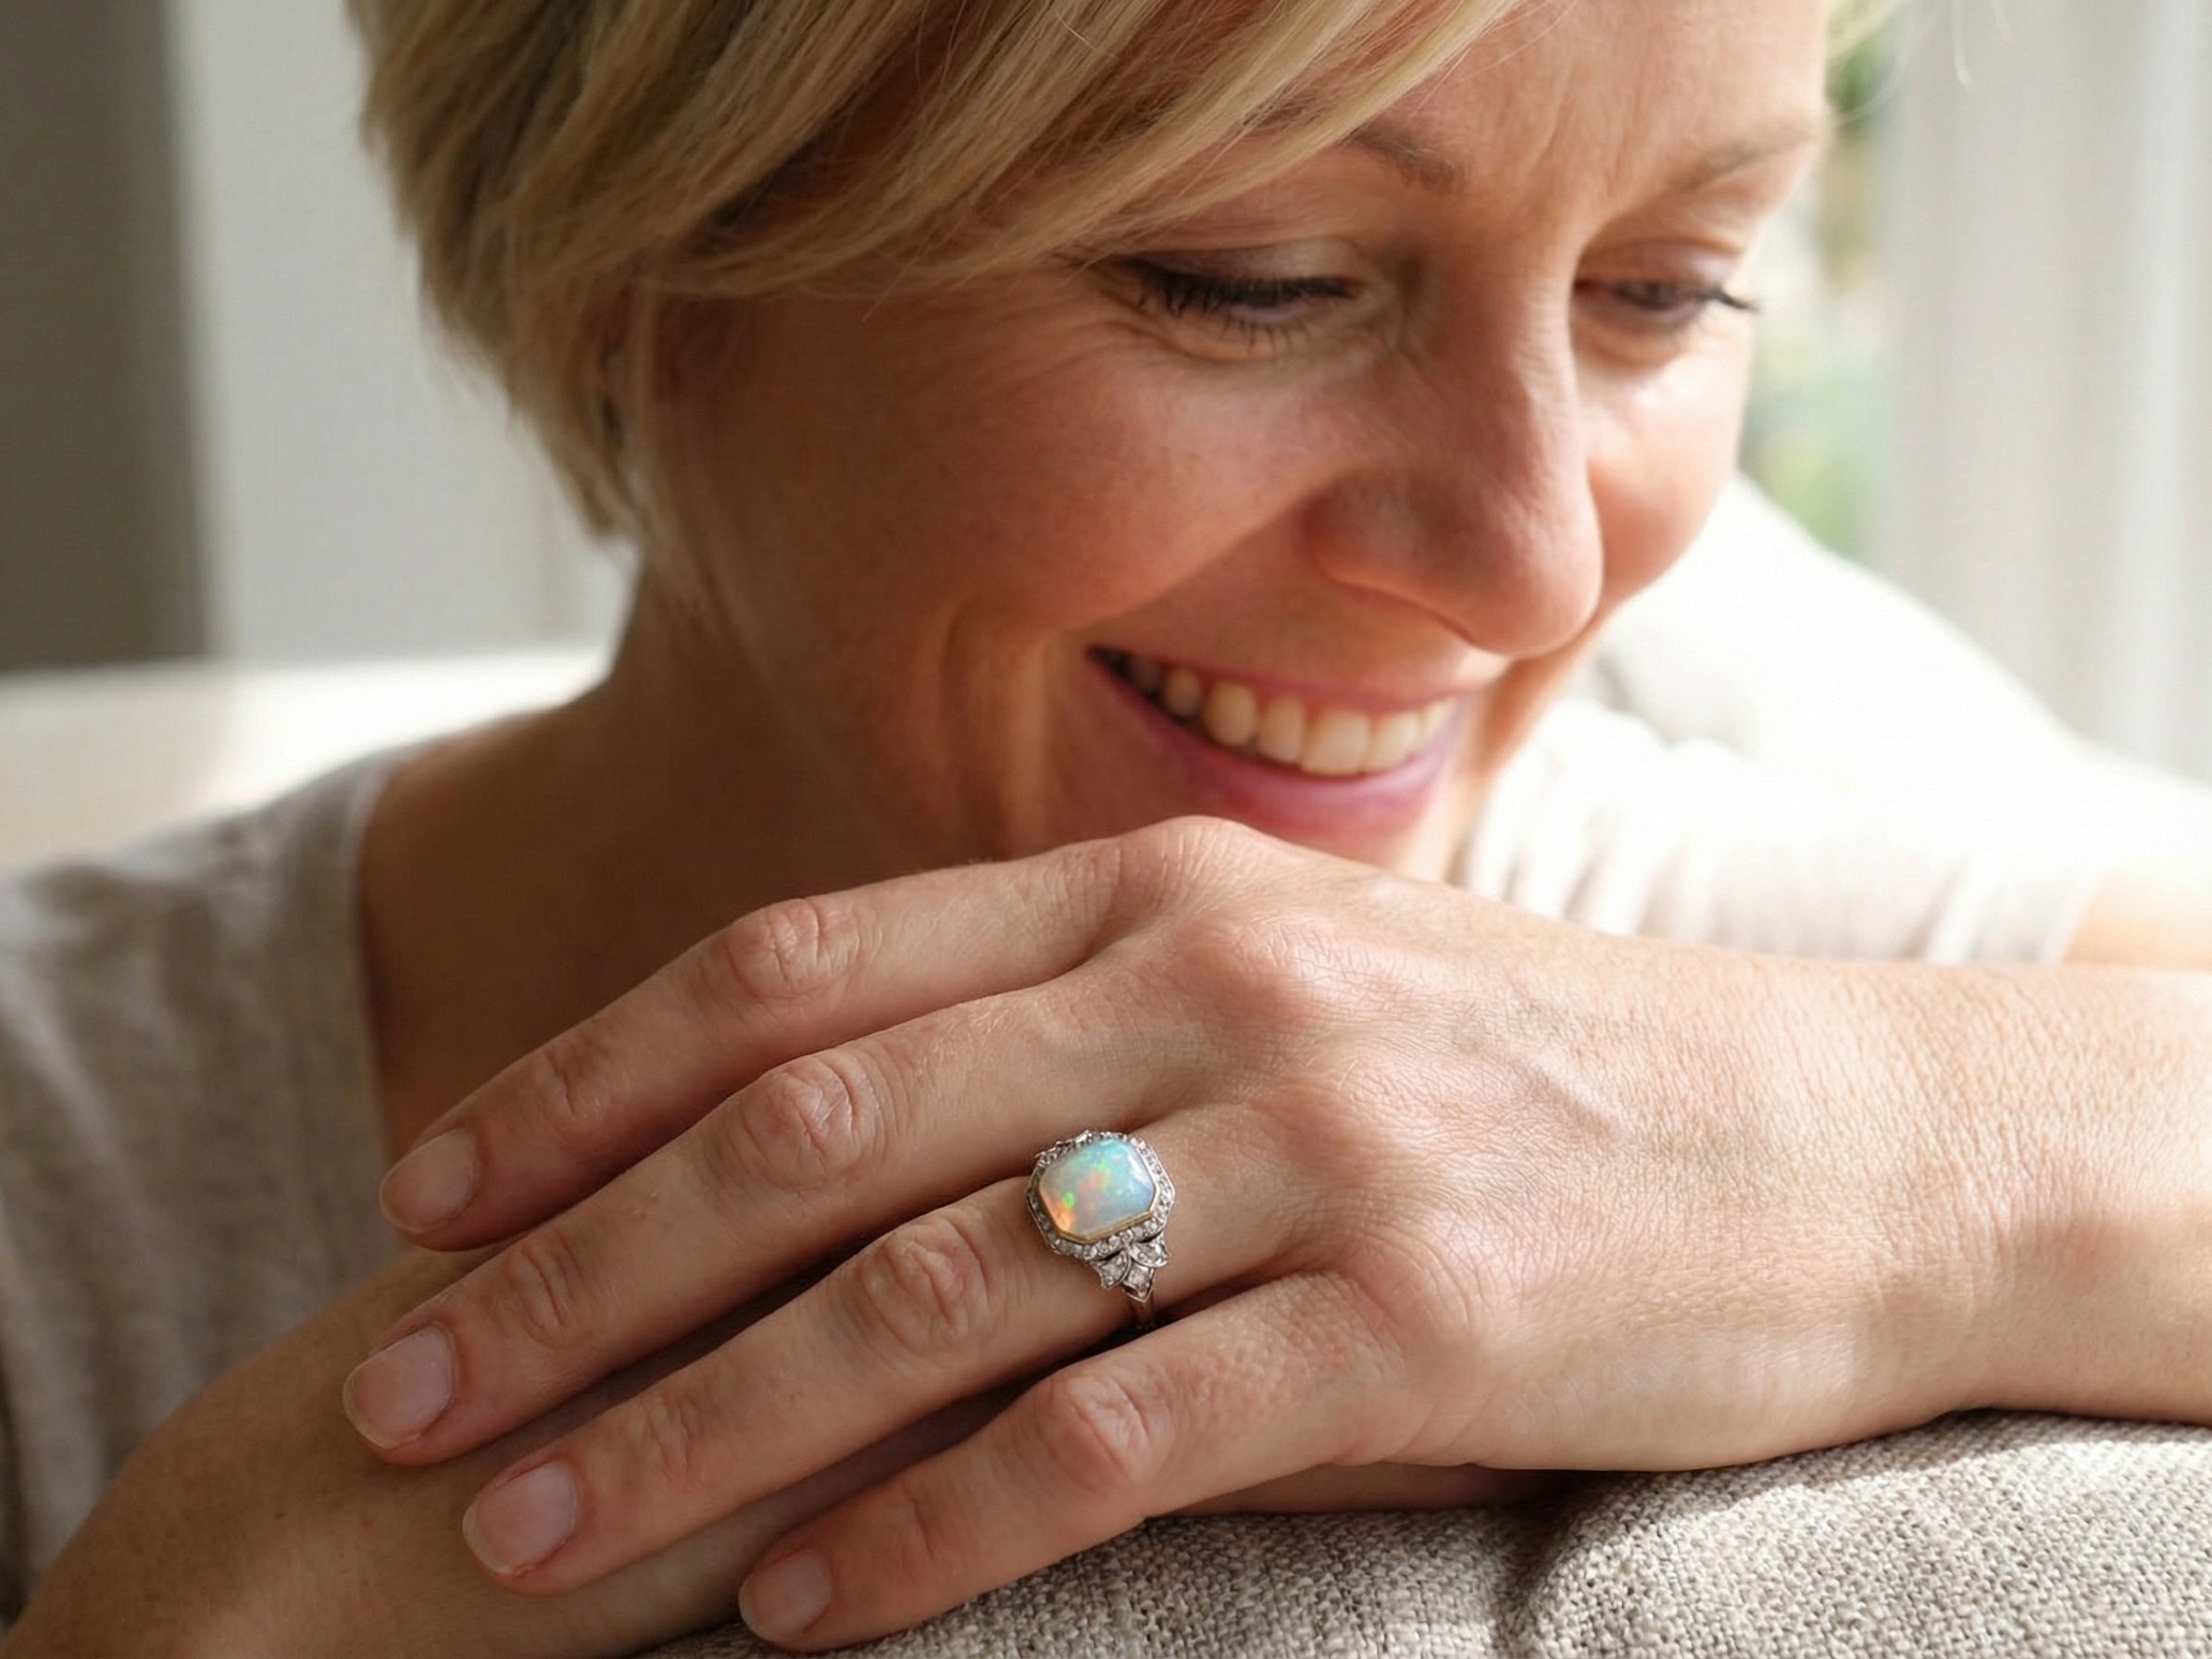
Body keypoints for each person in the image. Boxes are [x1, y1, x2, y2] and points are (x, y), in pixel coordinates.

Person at [7, 0, 2212, 1653]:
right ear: (632, 254)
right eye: (1258, 278)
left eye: (1668, 286)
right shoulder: (62, 1180)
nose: (1537, 562)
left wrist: (1823, 1133)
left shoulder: (1696, 926)